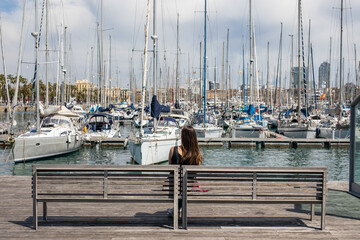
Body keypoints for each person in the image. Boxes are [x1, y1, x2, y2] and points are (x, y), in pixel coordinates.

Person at [167, 125, 202, 217]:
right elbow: (196, 172)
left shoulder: (172, 150)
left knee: (179, 184)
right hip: (189, 188)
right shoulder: (197, 154)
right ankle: (176, 208)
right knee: (187, 184)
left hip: (172, 187)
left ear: (182, 137)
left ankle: (175, 209)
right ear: (194, 138)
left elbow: (170, 168)